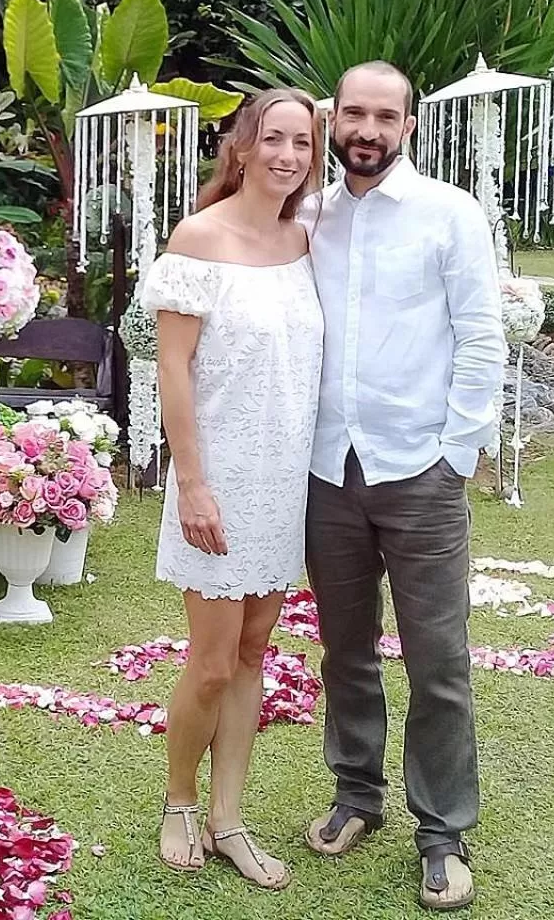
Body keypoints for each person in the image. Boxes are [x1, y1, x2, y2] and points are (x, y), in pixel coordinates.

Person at [301, 61, 505, 912]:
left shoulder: (449, 213)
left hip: (419, 471)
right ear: (332, 118)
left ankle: (442, 830)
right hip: (326, 470)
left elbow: (482, 337)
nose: (368, 131)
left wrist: (455, 455)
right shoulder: (305, 213)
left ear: (409, 126)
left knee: (438, 660)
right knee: (345, 651)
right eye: (355, 113)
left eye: (387, 117)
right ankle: (357, 797)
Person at [141, 87, 324, 889]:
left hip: (284, 481)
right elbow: (173, 367)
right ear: (242, 146)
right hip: (215, 478)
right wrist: (192, 485)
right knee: (211, 664)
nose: (288, 155)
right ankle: (179, 800)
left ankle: (228, 818)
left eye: (303, 143)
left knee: (255, 654)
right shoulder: (197, 239)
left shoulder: (307, 240)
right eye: (274, 137)